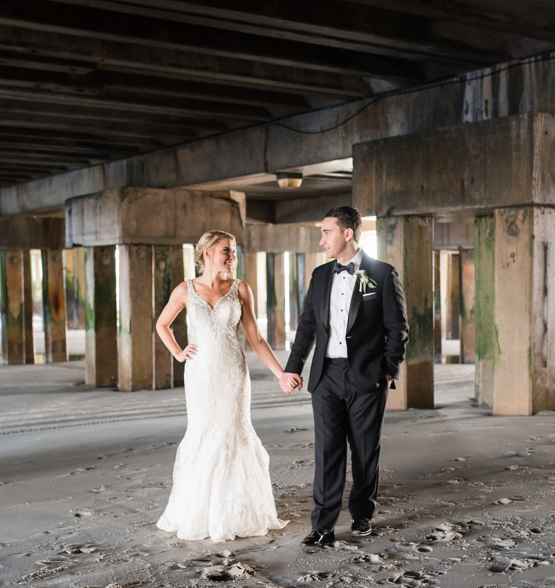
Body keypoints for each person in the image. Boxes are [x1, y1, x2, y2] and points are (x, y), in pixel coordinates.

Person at [280, 206, 408, 547]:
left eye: (327, 232)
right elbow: (308, 326)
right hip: (326, 377)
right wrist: (293, 367)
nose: (322, 239)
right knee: (327, 453)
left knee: (365, 452)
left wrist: (387, 370)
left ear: (347, 233)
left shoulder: (382, 274)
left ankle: (363, 515)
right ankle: (322, 524)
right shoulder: (321, 276)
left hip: (367, 378)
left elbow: (398, 329)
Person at [155, 229, 293, 542]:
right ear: (207, 254)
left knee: (234, 434)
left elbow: (255, 338)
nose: (232, 257)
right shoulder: (185, 290)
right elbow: (161, 324)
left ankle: (237, 513)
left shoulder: (241, 289)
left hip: (233, 374)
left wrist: (281, 373)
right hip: (201, 376)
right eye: (226, 251)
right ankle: (199, 513)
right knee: (204, 435)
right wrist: (178, 352)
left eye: (233, 251)